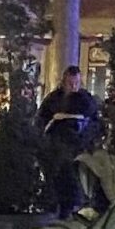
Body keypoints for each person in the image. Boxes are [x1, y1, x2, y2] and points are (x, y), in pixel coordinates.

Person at [40, 65, 95, 218]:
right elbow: (42, 120)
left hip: (78, 149)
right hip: (56, 149)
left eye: (76, 83)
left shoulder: (86, 100)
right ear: (64, 82)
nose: (73, 87)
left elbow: (94, 123)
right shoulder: (53, 100)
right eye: (71, 83)